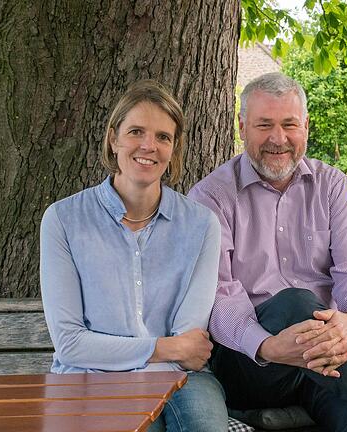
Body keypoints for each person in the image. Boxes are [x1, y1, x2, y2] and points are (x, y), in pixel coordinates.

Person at [188, 72, 347, 432]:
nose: (278, 139)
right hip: (251, 361)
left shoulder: (331, 185)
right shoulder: (211, 197)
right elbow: (217, 294)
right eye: (264, 125)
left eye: (289, 125)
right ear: (242, 126)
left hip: (328, 362)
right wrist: (268, 346)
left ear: (306, 126)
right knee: (296, 301)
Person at [40, 80, 228, 432]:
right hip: (89, 378)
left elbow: (190, 342)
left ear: (174, 148)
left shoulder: (201, 224)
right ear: (113, 138)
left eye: (163, 137)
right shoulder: (64, 220)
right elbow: (70, 345)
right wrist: (165, 347)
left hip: (182, 378)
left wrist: (169, 351)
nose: (148, 146)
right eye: (136, 131)